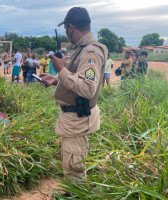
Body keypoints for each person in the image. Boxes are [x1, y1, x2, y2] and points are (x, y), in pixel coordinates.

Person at [40, 7, 108, 192]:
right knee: (71, 164)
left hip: (78, 118)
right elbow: (77, 80)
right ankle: (71, 193)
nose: (67, 34)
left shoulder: (90, 52)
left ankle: (75, 195)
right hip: (75, 117)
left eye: (66, 30)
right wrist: (56, 79)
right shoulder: (83, 49)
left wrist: (61, 69)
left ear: (70, 27)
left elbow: (87, 88)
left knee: (74, 168)